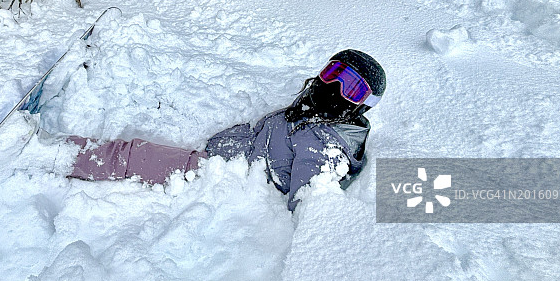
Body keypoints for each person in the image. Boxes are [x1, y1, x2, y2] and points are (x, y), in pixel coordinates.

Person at [64, 49, 386, 211]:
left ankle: (63, 155)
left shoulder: (324, 148)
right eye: (333, 72)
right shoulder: (318, 111)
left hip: (221, 173)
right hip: (230, 152)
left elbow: (309, 203)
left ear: (362, 104)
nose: (332, 87)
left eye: (351, 89)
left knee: (134, 157)